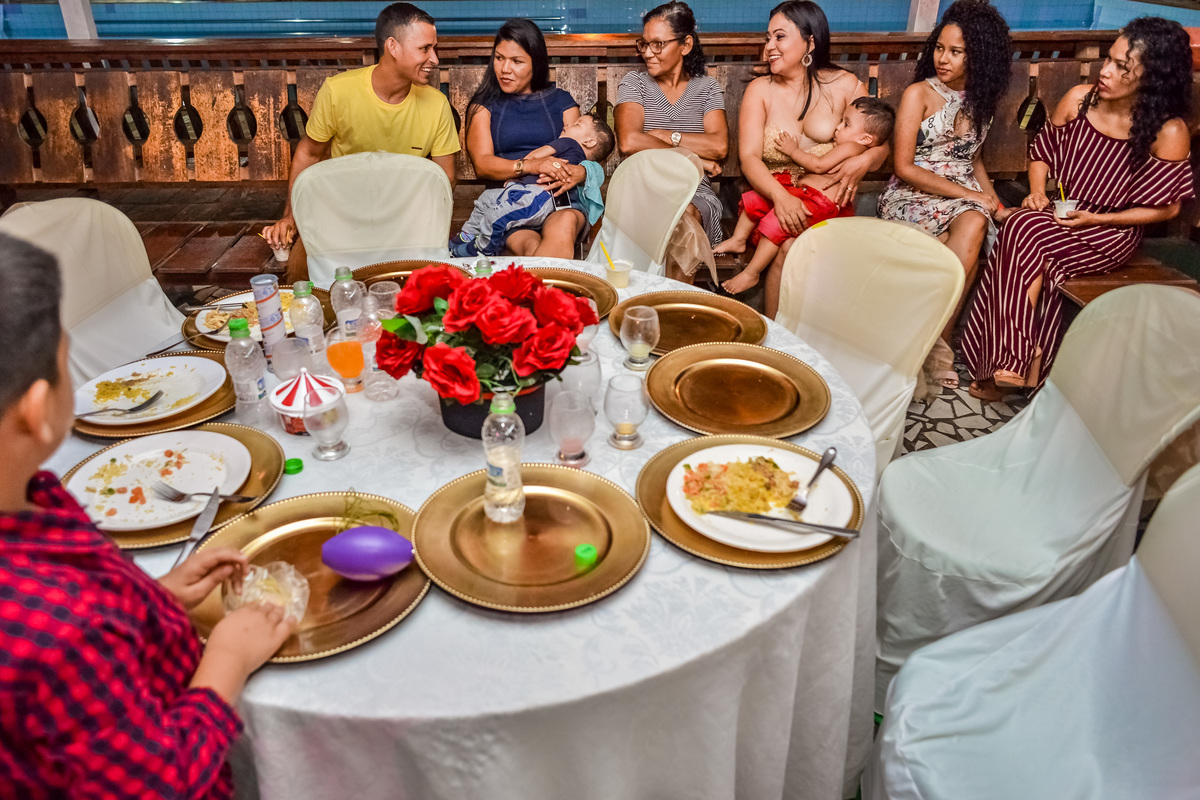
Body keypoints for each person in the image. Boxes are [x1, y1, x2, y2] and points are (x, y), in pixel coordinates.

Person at [0, 232, 296, 797]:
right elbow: (161, 778)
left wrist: (152, 597)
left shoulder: (35, 497)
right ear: (38, 410)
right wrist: (228, 661)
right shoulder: (57, 634)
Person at [962, 17, 1195, 401]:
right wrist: (1037, 192)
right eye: (1109, 59)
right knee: (1026, 231)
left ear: (1154, 77)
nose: (1106, 71)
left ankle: (1008, 362)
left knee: (1020, 228)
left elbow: (1167, 209)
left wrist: (1098, 218)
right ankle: (1022, 361)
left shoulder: (1167, 131)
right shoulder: (1079, 100)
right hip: (1063, 213)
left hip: (1111, 230)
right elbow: (1042, 153)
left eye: (1122, 67)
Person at [261, 2, 460, 276]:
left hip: (403, 220)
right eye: (424, 49)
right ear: (393, 47)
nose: (434, 59)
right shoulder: (338, 91)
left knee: (425, 282)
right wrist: (290, 217)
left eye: (434, 48)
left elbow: (445, 179)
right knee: (300, 273)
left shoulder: (436, 104)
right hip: (340, 216)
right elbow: (309, 153)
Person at [877, 0, 1011, 392]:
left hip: (962, 199)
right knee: (970, 224)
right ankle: (938, 346)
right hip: (912, 194)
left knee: (976, 223)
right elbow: (904, 167)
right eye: (939, 48)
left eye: (956, 52)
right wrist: (970, 195)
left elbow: (974, 160)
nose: (943, 58)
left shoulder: (981, 98)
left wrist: (995, 203)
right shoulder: (918, 93)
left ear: (979, 56)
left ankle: (936, 342)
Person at [729, 0, 890, 318]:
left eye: (779, 37)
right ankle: (779, 334)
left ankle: (790, 335)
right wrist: (780, 198)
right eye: (767, 38)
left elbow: (880, 143)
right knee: (789, 245)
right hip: (774, 202)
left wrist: (864, 161)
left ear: (810, 42)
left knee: (796, 247)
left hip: (827, 205)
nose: (769, 47)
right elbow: (748, 158)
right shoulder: (760, 90)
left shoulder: (845, 85)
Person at [721, 96, 895, 293]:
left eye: (846, 124)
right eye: (841, 121)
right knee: (758, 198)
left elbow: (818, 166)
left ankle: (752, 273)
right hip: (804, 194)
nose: (837, 127)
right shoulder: (850, 145)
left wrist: (793, 151)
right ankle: (738, 239)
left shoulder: (852, 147)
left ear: (865, 139)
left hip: (819, 204)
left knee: (780, 219)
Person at [464, 19, 591, 258]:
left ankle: (537, 283)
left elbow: (582, 153)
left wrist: (581, 172)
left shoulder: (562, 102)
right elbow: (482, 164)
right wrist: (532, 165)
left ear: (536, 63)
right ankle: (548, 284)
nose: (505, 69)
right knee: (530, 247)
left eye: (517, 61)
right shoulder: (484, 106)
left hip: (558, 199)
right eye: (499, 58)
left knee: (564, 224)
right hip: (509, 204)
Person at [614, 1, 729, 264]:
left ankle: (672, 291)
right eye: (644, 44)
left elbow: (719, 146)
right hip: (643, 184)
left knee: (686, 217)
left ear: (685, 45)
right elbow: (629, 141)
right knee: (666, 216)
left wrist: (667, 135)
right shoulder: (635, 84)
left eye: (658, 44)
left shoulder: (707, 88)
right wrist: (697, 158)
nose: (647, 53)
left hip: (692, 188)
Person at [451, 114, 615, 257]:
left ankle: (477, 248)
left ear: (590, 141)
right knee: (530, 245)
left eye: (577, 124)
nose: (568, 125)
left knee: (498, 215)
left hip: (539, 198)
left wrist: (522, 168)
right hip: (530, 197)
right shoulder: (574, 152)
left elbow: (535, 156)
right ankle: (544, 284)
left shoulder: (568, 143)